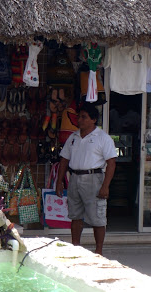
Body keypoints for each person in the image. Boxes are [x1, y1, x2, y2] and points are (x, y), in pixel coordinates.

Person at [55, 103, 116, 255]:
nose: (79, 120)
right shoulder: (73, 137)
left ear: (93, 119)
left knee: (97, 217)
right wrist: (59, 181)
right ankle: (75, 247)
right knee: (75, 215)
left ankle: (99, 251)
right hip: (75, 177)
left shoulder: (103, 138)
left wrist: (105, 186)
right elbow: (64, 160)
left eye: (84, 117)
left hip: (94, 178)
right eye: (79, 117)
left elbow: (111, 163)